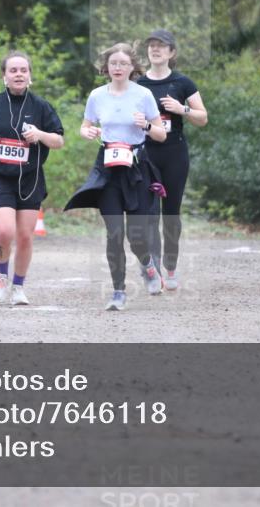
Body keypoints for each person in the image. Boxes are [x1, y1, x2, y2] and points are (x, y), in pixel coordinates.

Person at [65, 42, 167, 311]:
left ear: (132, 67)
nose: (118, 68)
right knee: (114, 233)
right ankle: (118, 291)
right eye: (113, 64)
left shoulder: (143, 95)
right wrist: (86, 132)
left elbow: (160, 133)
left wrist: (145, 125)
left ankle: (147, 265)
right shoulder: (97, 96)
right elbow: (85, 126)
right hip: (108, 168)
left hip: (136, 169)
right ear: (106, 67)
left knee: (136, 236)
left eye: (123, 63)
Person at [0, 51, 65, 306]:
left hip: (31, 178)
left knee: (25, 236)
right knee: (4, 231)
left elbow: (58, 140)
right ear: (4, 76)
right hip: (0, 177)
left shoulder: (42, 106)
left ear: (30, 76)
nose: (18, 74)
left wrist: (40, 134)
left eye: (23, 70)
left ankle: (18, 287)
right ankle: (1, 275)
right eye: (13, 70)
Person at [136, 29, 208, 291]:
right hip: (147, 155)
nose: (155, 49)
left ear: (171, 52)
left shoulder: (182, 83)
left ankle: (171, 267)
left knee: (171, 213)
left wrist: (182, 109)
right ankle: (153, 268)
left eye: (161, 46)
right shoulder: (139, 85)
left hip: (175, 154)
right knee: (149, 213)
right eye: (151, 45)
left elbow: (203, 118)